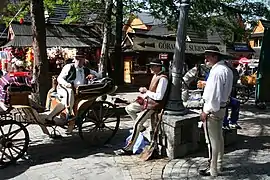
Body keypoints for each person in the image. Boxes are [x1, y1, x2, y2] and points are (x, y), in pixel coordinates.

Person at [115, 59, 169, 155]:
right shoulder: (155, 76)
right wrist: (144, 94)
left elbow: (159, 96)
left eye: (153, 66)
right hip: (149, 101)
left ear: (158, 67)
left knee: (137, 124)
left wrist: (146, 92)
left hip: (154, 105)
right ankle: (142, 128)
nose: (150, 68)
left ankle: (129, 148)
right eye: (150, 66)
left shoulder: (163, 79)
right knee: (129, 108)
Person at [199, 46, 233, 177]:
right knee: (219, 138)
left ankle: (212, 169)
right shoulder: (227, 70)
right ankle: (219, 164)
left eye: (208, 55)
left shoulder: (217, 71)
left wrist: (206, 111)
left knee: (212, 141)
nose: (206, 58)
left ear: (215, 57)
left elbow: (214, 94)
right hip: (222, 108)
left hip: (213, 110)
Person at [52, 50, 101, 122]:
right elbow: (60, 78)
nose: (79, 60)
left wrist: (93, 75)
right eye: (77, 58)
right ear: (74, 59)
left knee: (67, 99)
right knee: (70, 91)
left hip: (79, 91)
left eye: (81, 58)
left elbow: (99, 75)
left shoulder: (85, 69)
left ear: (84, 60)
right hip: (64, 88)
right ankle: (69, 114)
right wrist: (66, 84)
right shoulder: (69, 67)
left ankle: (50, 117)